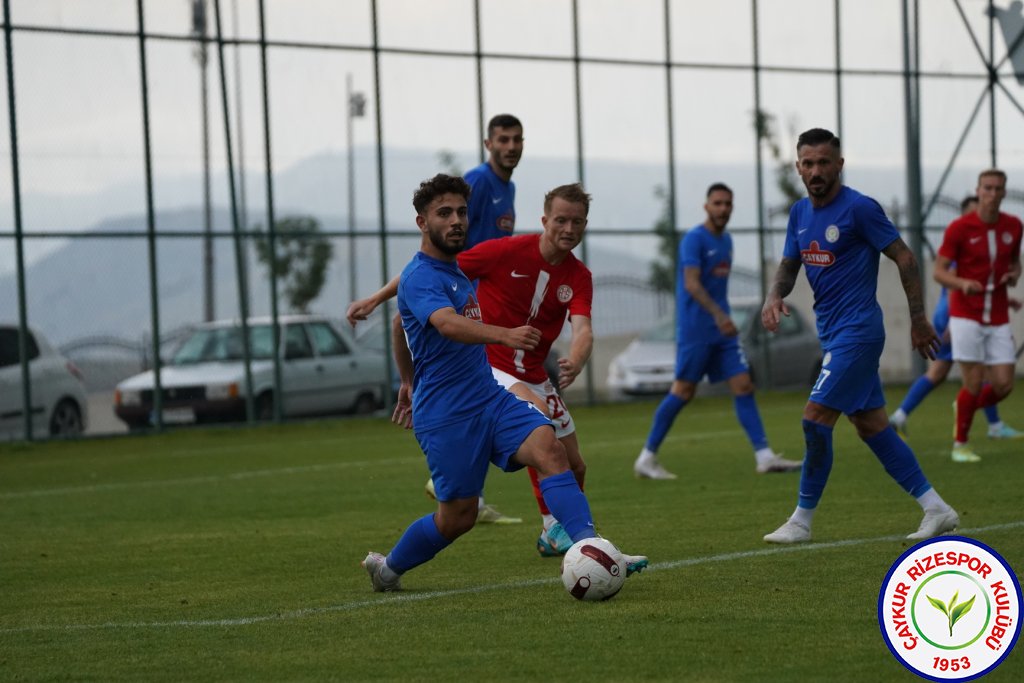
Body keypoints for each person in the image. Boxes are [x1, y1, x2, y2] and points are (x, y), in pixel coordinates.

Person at [361, 174, 645, 591]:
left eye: (461, 212)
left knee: (551, 449)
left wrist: (406, 380)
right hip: (447, 416)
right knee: (458, 517)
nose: (456, 220)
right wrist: (503, 334)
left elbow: (396, 324)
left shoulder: (455, 270)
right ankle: (387, 570)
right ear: (422, 222)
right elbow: (444, 323)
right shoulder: (422, 275)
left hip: (489, 398)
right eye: (444, 213)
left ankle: (590, 546)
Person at [760, 128, 959, 544]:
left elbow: (904, 257)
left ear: (839, 164)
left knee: (814, 421)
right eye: (808, 163)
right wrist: (775, 294)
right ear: (799, 167)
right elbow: (789, 263)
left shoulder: (859, 209)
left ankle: (801, 521)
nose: (816, 171)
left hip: (859, 334)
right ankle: (936, 508)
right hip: (833, 335)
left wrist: (919, 319)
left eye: (823, 162)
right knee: (872, 426)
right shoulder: (799, 213)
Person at [633, 183, 801, 480]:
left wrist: (723, 320)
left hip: (722, 334)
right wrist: (720, 315)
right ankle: (647, 458)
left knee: (744, 386)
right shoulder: (694, 240)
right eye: (718, 203)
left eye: (728, 204)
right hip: (697, 330)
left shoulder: (726, 241)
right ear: (706, 206)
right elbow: (692, 284)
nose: (723, 209)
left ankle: (764, 456)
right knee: (683, 392)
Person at [889, 195, 1022, 441]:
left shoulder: (978, 244)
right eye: (975, 210)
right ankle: (991, 425)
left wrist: (1007, 299)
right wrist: (952, 323)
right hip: (956, 318)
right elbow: (953, 287)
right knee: (977, 374)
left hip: (954, 317)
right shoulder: (962, 244)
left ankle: (899, 416)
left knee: (937, 373)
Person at [933, 169, 1023, 463]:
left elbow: (1014, 262)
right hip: (965, 314)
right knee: (972, 382)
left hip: (997, 315)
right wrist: (962, 284)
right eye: (988, 188)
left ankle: (966, 407)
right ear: (978, 189)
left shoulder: (1014, 226)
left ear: (1004, 192)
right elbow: (939, 271)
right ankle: (961, 444)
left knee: (1004, 384)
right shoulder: (959, 228)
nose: (993, 193)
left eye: (998, 188)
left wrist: (1014, 275)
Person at [464, 113, 523, 249]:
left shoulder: (510, 187)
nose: (511, 147)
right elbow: (452, 232)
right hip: (468, 269)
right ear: (488, 144)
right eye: (503, 140)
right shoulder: (478, 179)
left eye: (517, 140)